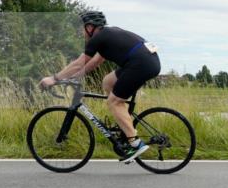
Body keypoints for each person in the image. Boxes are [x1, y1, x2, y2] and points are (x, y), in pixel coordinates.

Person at [40, 10, 161, 163]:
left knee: (113, 102)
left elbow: (79, 62)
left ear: (90, 27)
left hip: (140, 64)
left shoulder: (99, 38)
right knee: (108, 82)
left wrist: (54, 78)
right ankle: (126, 125)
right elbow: (96, 61)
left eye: (81, 27)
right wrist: (75, 77)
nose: (80, 31)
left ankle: (135, 143)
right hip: (145, 61)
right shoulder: (107, 35)